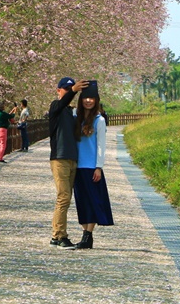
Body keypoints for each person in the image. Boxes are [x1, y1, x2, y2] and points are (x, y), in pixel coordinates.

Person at [48, 76, 88, 249]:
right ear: (58, 90)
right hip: (60, 158)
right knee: (63, 197)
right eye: (66, 88)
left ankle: (58, 237)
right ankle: (59, 236)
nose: (69, 91)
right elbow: (63, 102)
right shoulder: (55, 107)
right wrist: (73, 91)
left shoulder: (71, 112)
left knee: (66, 197)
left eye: (71, 88)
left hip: (72, 159)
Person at [72, 80, 113, 249]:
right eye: (85, 98)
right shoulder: (76, 117)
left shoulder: (99, 120)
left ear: (96, 100)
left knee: (92, 201)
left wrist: (99, 167)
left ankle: (88, 235)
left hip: (91, 167)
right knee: (81, 201)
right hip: (77, 166)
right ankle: (85, 235)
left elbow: (101, 146)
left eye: (92, 98)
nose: (88, 101)